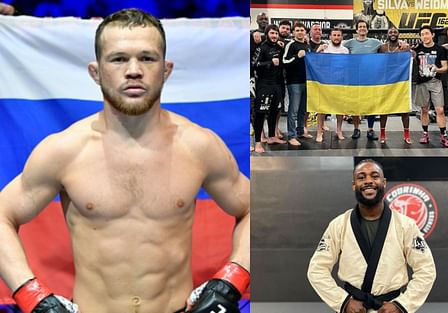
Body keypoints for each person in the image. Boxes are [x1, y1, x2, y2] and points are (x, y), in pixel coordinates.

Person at [0, 9, 249, 313]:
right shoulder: (64, 151)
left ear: (166, 69)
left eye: (147, 58)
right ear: (96, 72)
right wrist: (30, 295)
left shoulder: (198, 145)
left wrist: (231, 281)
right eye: (118, 59)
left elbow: (253, 208)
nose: (133, 70)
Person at [307, 159, 436, 313]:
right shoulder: (339, 225)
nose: (368, 181)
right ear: (354, 185)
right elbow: (316, 269)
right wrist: (343, 301)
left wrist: (402, 305)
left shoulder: (405, 225)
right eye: (361, 177)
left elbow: (426, 269)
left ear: (384, 182)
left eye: (374, 176)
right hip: (353, 308)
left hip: (390, 307)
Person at [413, 26, 448, 148]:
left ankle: (443, 135)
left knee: (440, 110)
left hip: (435, 81)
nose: (424, 36)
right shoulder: (417, 49)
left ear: (432, 35)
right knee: (424, 110)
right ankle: (425, 133)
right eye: (422, 34)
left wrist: (437, 69)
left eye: (426, 33)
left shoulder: (440, 49)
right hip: (421, 83)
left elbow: (445, 67)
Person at [343, 20, 382, 140]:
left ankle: (370, 130)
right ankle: (356, 129)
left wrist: (402, 44)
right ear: (356, 30)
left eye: (364, 27)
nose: (362, 28)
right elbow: (336, 47)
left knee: (371, 105)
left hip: (371, 80)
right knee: (356, 105)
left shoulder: (375, 42)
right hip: (355, 79)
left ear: (367, 29)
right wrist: (324, 45)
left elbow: (389, 48)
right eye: (360, 27)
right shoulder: (350, 43)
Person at [251, 24, 287, 153]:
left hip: (277, 84)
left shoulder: (278, 47)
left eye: (276, 33)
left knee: (274, 111)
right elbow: (254, 64)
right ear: (267, 34)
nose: (274, 36)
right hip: (264, 84)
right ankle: (258, 143)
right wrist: (269, 63)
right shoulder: (262, 48)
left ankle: (272, 137)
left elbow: (283, 62)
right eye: (272, 33)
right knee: (260, 113)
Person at [377, 27, 412, 144]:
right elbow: (375, 62)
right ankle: (382, 134)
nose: (392, 34)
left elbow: (414, 57)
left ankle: (406, 134)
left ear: (398, 34)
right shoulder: (382, 48)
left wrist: (410, 50)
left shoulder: (404, 48)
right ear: (387, 34)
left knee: (404, 109)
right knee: (384, 109)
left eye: (395, 32)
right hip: (385, 82)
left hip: (400, 82)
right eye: (390, 32)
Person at [316, 27, 349, 142]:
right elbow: (314, 61)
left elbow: (347, 67)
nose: (336, 37)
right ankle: (319, 131)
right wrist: (318, 50)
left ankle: (339, 130)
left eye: (338, 35)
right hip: (325, 82)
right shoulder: (325, 48)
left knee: (340, 108)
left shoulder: (345, 50)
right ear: (330, 37)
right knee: (322, 108)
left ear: (342, 37)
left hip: (340, 82)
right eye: (334, 35)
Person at [283, 22, 311, 146]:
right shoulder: (290, 45)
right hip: (294, 82)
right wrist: (296, 56)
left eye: (302, 30)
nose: (300, 32)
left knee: (303, 110)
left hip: (306, 81)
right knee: (293, 110)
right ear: (293, 32)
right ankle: (291, 135)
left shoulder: (307, 46)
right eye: (297, 30)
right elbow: (284, 61)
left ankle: (300, 131)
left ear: (305, 32)